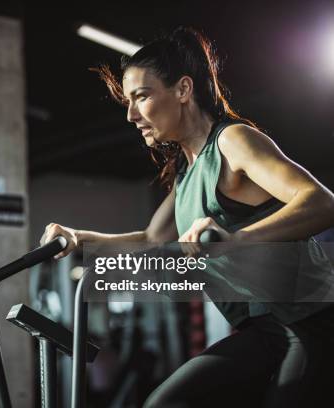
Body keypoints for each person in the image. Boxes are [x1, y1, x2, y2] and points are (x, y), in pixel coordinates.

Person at [40, 27, 334, 407]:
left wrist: (238, 240)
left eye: (141, 96)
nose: (131, 115)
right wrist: (81, 237)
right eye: (128, 102)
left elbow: (322, 202)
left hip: (313, 323)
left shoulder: (233, 141)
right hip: (266, 331)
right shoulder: (188, 170)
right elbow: (153, 238)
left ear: (182, 90)